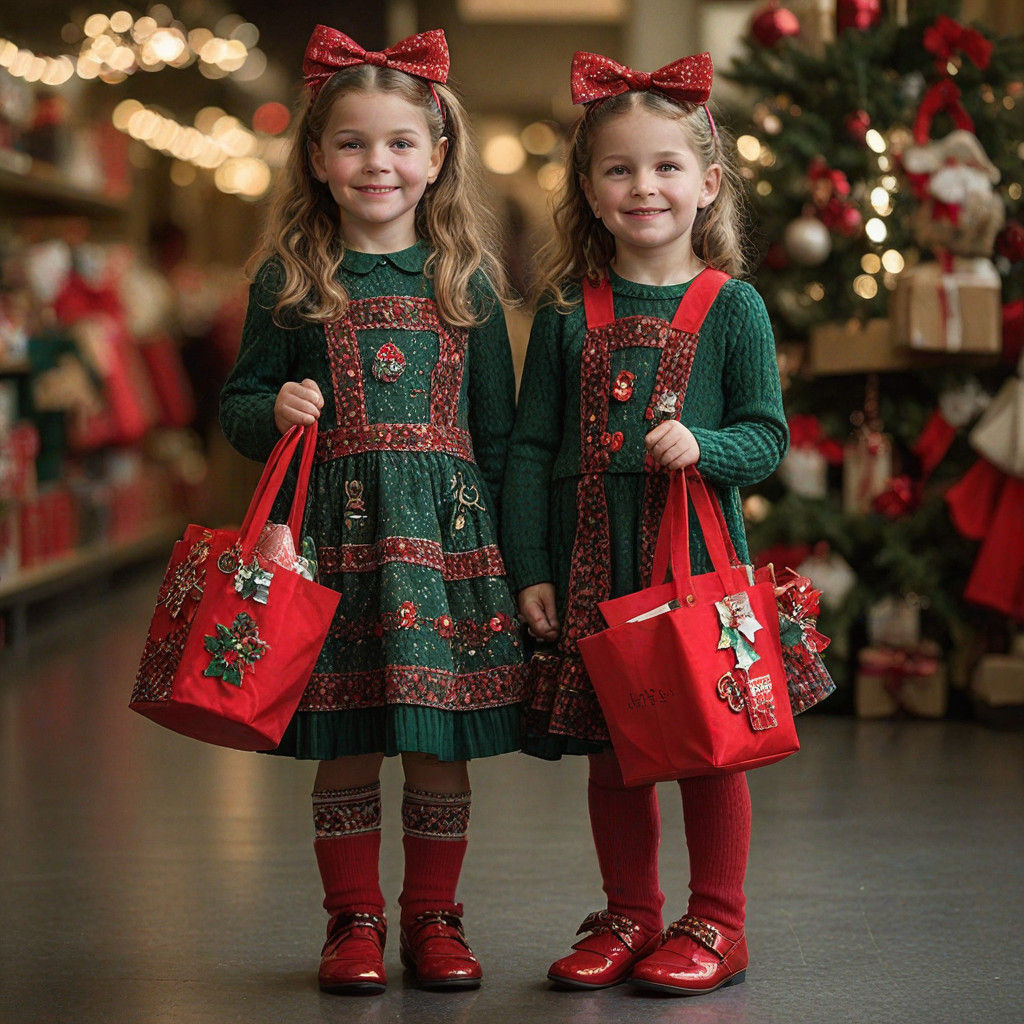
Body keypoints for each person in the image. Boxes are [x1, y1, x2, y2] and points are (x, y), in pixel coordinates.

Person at [220, 25, 523, 996]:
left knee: (435, 744)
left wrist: (522, 568)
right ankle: (352, 921)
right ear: (316, 156)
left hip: (446, 548)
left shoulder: (465, 280)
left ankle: (434, 918)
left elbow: (501, 434)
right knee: (346, 740)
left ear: (437, 157)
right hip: (335, 548)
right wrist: (271, 411)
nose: (376, 163)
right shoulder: (290, 277)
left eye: (400, 143)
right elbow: (232, 404)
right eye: (351, 143)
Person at [502, 50, 789, 997]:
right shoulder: (563, 316)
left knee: (709, 741)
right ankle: (629, 910)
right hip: (593, 562)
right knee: (615, 747)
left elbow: (768, 435)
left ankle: (720, 921)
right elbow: (533, 447)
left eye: (667, 167)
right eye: (619, 169)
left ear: (707, 183)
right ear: (587, 188)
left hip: (696, 558)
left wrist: (705, 446)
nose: (644, 187)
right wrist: (532, 565)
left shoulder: (732, 307)